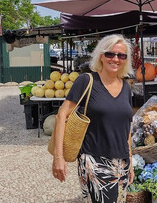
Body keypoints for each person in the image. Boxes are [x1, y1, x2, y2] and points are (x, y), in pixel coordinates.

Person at [52, 34, 134, 203]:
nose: (116, 59)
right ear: (101, 56)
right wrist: (58, 157)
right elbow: (62, 115)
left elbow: (127, 129)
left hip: (122, 164)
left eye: (121, 55)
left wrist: (130, 162)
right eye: (110, 54)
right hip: (94, 162)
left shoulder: (126, 87)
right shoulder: (87, 81)